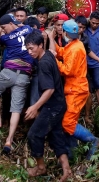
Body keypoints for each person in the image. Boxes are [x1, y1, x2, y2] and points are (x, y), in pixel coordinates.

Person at [47, 20, 99, 160]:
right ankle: (73, 152)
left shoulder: (76, 48)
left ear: (65, 33)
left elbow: (67, 70)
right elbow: (62, 52)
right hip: (73, 89)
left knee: (67, 122)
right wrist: (52, 42)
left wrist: (55, 60)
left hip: (76, 90)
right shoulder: (74, 44)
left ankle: (93, 140)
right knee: (68, 120)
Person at [23, 31, 72, 181]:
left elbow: (49, 89)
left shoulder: (43, 63)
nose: (30, 52)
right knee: (55, 135)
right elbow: (52, 50)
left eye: (32, 48)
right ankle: (66, 169)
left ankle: (41, 168)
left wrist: (35, 106)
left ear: (40, 45)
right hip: (59, 104)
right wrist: (50, 37)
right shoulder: (48, 55)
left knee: (34, 134)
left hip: (52, 107)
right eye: (27, 49)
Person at [0, 14, 34, 154]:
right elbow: (22, 27)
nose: (4, 30)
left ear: (9, 24)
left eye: (4, 27)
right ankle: (9, 139)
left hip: (9, 72)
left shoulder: (6, 38)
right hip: (25, 76)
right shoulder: (28, 29)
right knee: (16, 109)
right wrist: (14, 25)